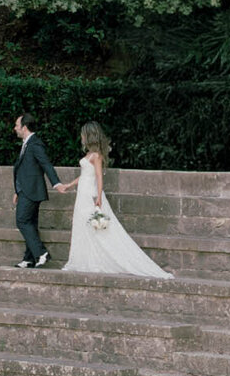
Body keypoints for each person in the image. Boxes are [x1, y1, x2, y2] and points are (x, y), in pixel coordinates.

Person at [61, 121, 173, 278]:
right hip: (82, 194)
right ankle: (84, 260)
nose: (81, 137)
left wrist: (99, 197)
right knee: (82, 226)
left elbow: (99, 176)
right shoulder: (88, 155)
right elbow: (84, 175)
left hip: (90, 194)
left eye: (83, 134)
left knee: (96, 227)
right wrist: (69, 185)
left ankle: (97, 261)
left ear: (89, 136)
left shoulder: (96, 156)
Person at [12, 113, 67, 268]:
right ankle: (29, 258)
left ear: (24, 127)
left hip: (31, 191)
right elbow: (25, 169)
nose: (15, 128)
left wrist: (56, 183)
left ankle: (41, 253)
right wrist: (17, 191)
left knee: (22, 221)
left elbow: (46, 164)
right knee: (30, 223)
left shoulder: (35, 144)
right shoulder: (27, 144)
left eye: (17, 125)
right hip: (25, 190)